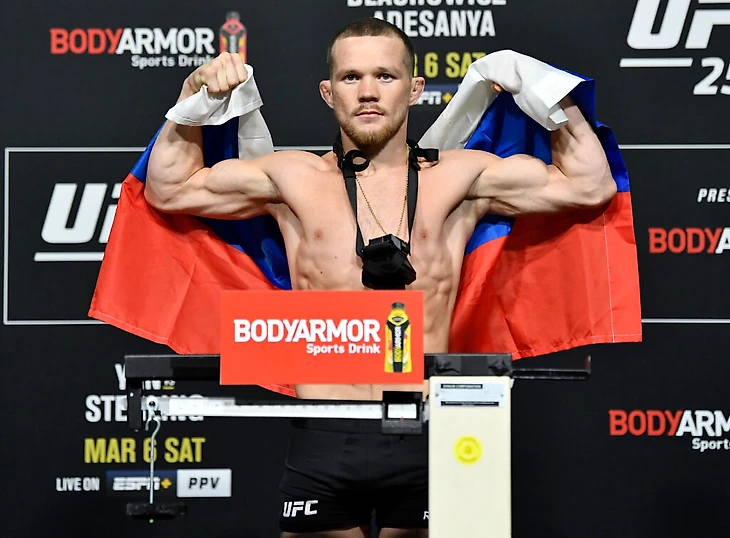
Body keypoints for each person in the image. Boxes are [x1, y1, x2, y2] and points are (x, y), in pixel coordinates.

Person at [145, 17, 616, 538]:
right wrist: (192, 98)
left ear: (415, 89)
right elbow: (168, 189)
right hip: (323, 433)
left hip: (433, 429)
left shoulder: (461, 177)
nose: (368, 91)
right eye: (351, 77)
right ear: (328, 92)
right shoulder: (291, 178)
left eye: (385, 76)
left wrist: (541, 87)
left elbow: (590, 185)